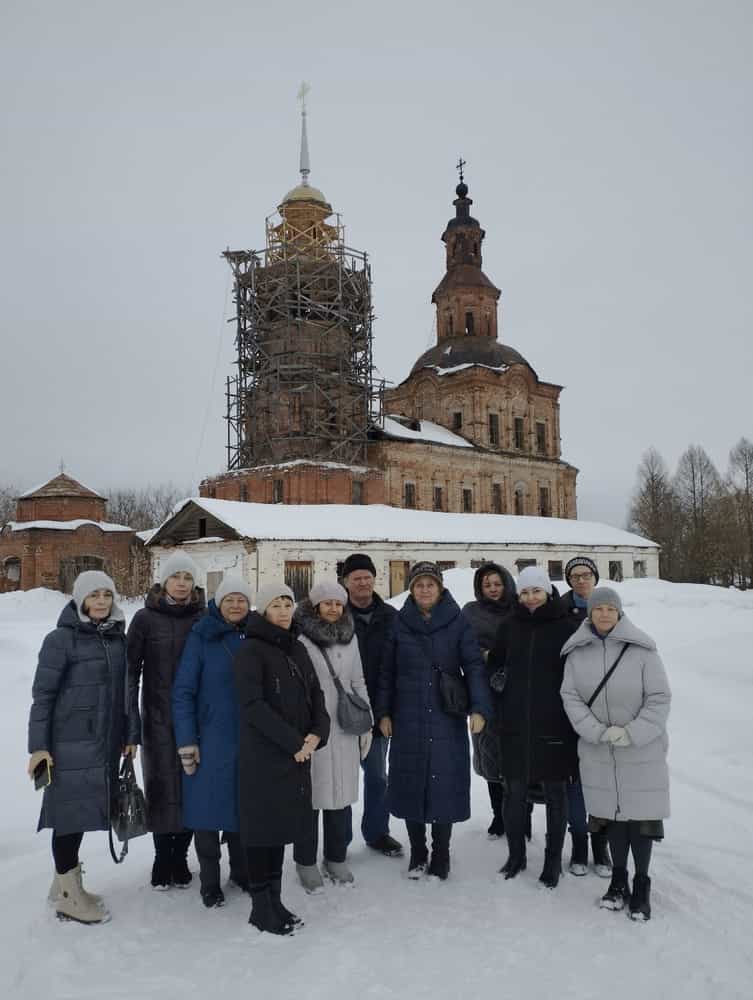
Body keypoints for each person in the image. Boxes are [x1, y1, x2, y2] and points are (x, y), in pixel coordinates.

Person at [27, 571, 139, 924]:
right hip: (67, 745)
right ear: (80, 600)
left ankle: (66, 883)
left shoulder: (117, 639)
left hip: (104, 744)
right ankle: (67, 895)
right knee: (67, 817)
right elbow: (42, 697)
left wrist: (130, 735)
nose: (102, 601)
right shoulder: (61, 640)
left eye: (107, 594)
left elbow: (125, 695)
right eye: (94, 595)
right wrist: (38, 747)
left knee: (81, 813)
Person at [376, 561, 492, 881]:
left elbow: (474, 665)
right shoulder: (400, 623)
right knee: (410, 781)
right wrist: (384, 712)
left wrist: (479, 708)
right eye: (419, 584)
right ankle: (418, 852)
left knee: (445, 782)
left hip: (446, 713)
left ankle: (441, 853)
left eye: (430, 584)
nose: (425, 589)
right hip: (407, 714)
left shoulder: (458, 621)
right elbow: (387, 670)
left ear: (440, 588)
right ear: (411, 589)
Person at [560, 587, 671, 921]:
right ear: (590, 614)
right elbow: (570, 697)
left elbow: (659, 697)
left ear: (619, 613)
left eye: (610, 608)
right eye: (598, 609)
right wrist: (597, 731)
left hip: (641, 749)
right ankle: (619, 879)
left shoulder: (643, 650)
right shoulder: (577, 653)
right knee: (612, 817)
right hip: (598, 749)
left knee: (641, 818)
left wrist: (631, 733)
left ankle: (641, 884)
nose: (604, 614)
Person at [233, 583, 330, 935]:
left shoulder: (297, 649)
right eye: (276, 604)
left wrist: (318, 732)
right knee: (262, 832)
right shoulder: (251, 652)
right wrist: (294, 743)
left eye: (288, 603)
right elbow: (252, 706)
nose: (285, 610)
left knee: (279, 831)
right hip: (263, 758)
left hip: (296, 756)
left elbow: (316, 694)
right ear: (263, 611)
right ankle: (261, 907)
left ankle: (275, 901)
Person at [487, 566, 577, 888]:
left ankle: (553, 862)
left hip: (554, 724)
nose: (530, 599)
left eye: (536, 591)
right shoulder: (510, 626)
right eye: (524, 593)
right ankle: (516, 855)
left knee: (555, 794)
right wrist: (498, 680)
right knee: (515, 792)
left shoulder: (566, 627)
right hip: (514, 723)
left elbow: (577, 675)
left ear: (547, 592)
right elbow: (495, 663)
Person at [172, 574, 252, 908]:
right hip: (210, 740)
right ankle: (209, 881)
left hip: (248, 741)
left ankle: (242, 872)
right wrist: (187, 740)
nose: (236, 605)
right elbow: (183, 692)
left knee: (241, 810)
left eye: (242, 600)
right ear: (218, 602)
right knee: (206, 815)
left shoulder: (256, 635)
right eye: (229, 599)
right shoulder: (201, 636)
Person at [127, 552, 205, 889]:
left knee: (191, 784)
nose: (182, 583)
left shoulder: (203, 618)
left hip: (196, 716)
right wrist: (130, 722)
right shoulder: (145, 619)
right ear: (164, 581)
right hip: (156, 717)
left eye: (188, 578)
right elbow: (129, 674)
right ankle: (163, 857)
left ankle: (181, 856)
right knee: (160, 786)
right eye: (177, 577)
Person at [293, 580, 372, 890]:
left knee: (341, 797)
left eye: (338, 604)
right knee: (311, 798)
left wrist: (366, 722)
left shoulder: (350, 637)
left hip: (345, 726)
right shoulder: (300, 638)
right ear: (315, 606)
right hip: (311, 727)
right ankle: (306, 861)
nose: (333, 608)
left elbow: (358, 680)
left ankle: (336, 857)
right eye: (327, 603)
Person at [341, 552, 402, 858]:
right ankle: (337, 840)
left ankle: (377, 832)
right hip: (342, 713)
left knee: (378, 776)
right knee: (339, 779)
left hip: (377, 712)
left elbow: (398, 665)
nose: (363, 582)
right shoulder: (336, 614)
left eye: (367, 576)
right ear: (346, 582)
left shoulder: (392, 616)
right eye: (356, 577)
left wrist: (388, 710)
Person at [559, 556, 612, 878]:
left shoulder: (610, 610)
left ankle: (600, 843)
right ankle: (579, 841)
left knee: (603, 781)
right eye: (575, 575)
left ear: (595, 576)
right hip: (570, 705)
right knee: (574, 781)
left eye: (586, 574)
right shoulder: (559, 613)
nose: (581, 580)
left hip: (607, 709)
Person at [462, 562, 517, 839]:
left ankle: (520, 815)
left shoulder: (519, 608)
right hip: (485, 692)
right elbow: (465, 648)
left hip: (519, 692)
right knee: (490, 755)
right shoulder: (471, 613)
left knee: (519, 756)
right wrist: (484, 657)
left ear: (506, 583)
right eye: (487, 585)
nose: (493, 589)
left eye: (497, 583)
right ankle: (499, 815)